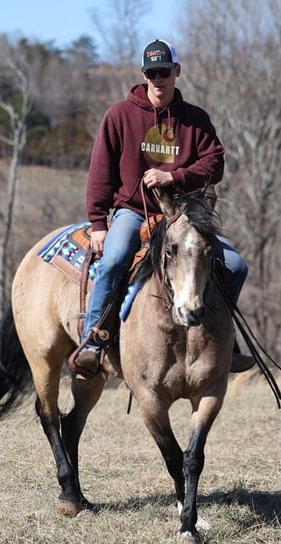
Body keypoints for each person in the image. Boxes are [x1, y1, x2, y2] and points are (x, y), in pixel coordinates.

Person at [74, 38, 254, 375]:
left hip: (184, 215)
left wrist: (174, 177)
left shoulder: (195, 120)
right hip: (134, 211)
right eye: (152, 72)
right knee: (113, 260)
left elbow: (215, 164)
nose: (158, 79)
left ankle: (223, 343)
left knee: (235, 266)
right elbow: (100, 172)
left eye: (164, 71)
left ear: (177, 71)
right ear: (144, 75)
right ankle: (93, 341)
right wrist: (98, 223)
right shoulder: (119, 116)